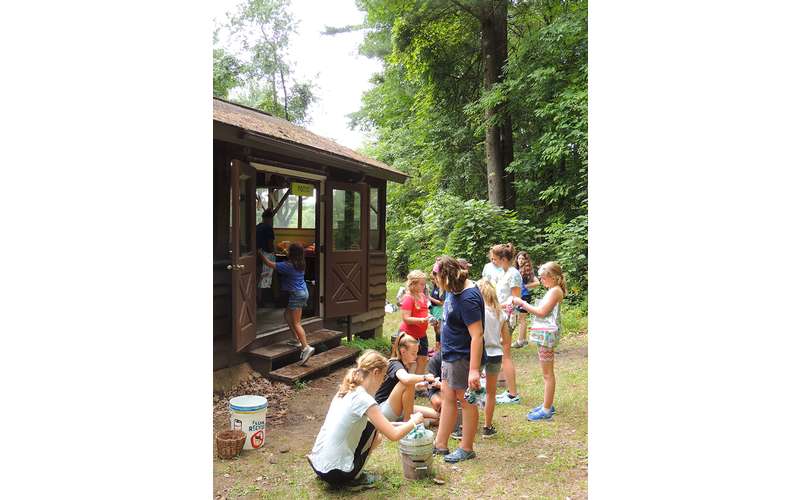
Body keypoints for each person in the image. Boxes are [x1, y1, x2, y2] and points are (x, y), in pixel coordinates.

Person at [308, 350, 424, 491]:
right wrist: (414, 422)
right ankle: (355, 479)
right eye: (383, 377)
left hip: (318, 465)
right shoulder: (365, 400)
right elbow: (393, 435)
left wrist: (401, 424)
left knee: (372, 427)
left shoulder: (344, 390)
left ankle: (344, 468)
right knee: (374, 433)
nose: (382, 382)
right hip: (336, 474)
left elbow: (382, 424)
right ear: (375, 373)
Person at [432, 255, 484, 463]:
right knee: (448, 397)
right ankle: (440, 443)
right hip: (450, 354)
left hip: (463, 357)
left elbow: (477, 335)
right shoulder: (454, 289)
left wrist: (473, 369)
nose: (435, 283)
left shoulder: (468, 298)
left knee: (467, 401)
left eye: (437, 279)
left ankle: (466, 447)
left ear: (447, 277)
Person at [511, 261, 566, 421]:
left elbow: (542, 312)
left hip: (547, 335)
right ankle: (546, 404)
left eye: (543, 278)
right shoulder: (553, 290)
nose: (541, 281)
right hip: (545, 334)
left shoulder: (555, 291)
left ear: (553, 277)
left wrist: (523, 303)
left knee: (547, 374)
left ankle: (547, 409)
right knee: (546, 373)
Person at [263, 243, 314, 365]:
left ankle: (306, 347)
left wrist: (260, 254)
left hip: (296, 294)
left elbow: (269, 264)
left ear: (291, 254)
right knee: (287, 315)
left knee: (297, 323)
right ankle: (296, 339)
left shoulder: (288, 265)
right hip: (303, 292)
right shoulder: (300, 263)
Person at [374, 333, 440, 425]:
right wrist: (425, 377)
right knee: (408, 382)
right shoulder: (395, 364)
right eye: (413, 353)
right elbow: (406, 380)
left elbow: (403, 388)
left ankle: (401, 424)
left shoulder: (404, 366)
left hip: (397, 408)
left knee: (437, 416)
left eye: (416, 353)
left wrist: (420, 385)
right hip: (383, 409)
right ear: (403, 351)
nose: (416, 356)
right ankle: (408, 424)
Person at [489, 243, 522, 405]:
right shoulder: (503, 272)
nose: (493, 261)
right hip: (501, 316)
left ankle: (513, 394)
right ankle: (510, 391)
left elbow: (515, 300)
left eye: (495, 259)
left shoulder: (514, 274)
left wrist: (496, 306)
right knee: (504, 354)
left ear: (503, 259)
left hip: (508, 318)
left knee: (506, 354)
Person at [476, 279, 507, 438]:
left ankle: (468, 424)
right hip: (496, 354)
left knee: (471, 390)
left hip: (480, 353)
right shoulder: (501, 313)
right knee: (491, 393)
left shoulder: (479, 312)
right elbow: (505, 339)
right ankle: (488, 426)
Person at [398, 270, 431, 375]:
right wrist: (421, 320)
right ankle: (403, 384)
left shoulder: (422, 296)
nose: (424, 286)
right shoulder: (408, 298)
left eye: (424, 284)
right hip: (409, 335)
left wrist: (429, 317)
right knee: (407, 362)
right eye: (421, 284)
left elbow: (425, 311)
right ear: (413, 284)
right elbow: (406, 318)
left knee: (422, 360)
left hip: (421, 335)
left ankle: (418, 386)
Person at [512, 251, 539, 348]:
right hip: (518, 296)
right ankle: (522, 340)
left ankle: (521, 341)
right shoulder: (516, 269)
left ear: (526, 260)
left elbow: (537, 282)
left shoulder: (527, 269)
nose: (520, 260)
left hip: (524, 297)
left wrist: (525, 286)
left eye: (522, 259)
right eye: (519, 258)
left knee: (521, 319)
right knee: (520, 318)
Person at [256, 210, 275, 307]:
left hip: (256, 255)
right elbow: (270, 244)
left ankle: (257, 300)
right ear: (270, 218)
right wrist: (273, 252)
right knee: (264, 279)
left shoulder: (257, 227)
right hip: (266, 255)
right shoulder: (268, 228)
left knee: (257, 277)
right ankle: (261, 301)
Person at [429, 260, 446, 353]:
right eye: (432, 279)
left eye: (434, 279)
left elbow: (441, 303)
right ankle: (437, 345)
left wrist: (430, 298)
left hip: (439, 309)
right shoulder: (434, 287)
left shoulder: (441, 288)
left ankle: (439, 347)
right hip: (434, 309)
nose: (433, 281)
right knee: (435, 328)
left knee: (439, 328)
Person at [425, 350, 443, 414]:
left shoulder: (458, 358)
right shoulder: (435, 359)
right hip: (436, 389)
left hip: (455, 387)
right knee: (439, 403)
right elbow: (432, 382)